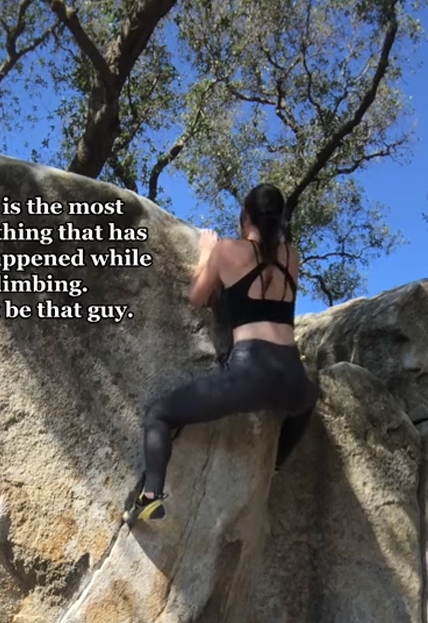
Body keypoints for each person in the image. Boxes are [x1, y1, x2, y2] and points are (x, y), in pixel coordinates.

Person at [126, 183, 321, 522]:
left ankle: (150, 496)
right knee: (309, 397)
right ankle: (275, 463)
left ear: (245, 214)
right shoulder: (293, 257)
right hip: (292, 378)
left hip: (250, 375)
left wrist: (206, 253)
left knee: (159, 415)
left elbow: (197, 297)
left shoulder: (227, 250)